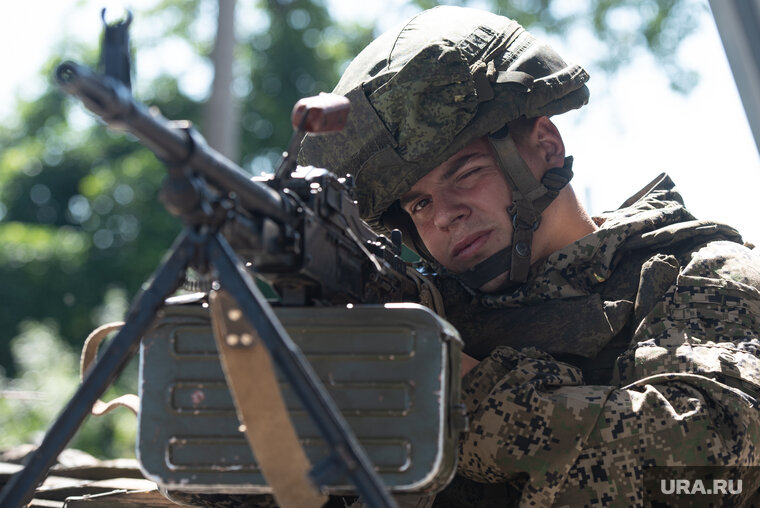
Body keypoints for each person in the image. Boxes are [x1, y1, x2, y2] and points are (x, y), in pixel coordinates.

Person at [300, 5, 760, 506]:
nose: (444, 216)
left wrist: (456, 388)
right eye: (419, 203)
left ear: (546, 145)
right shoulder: (421, 318)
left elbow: (707, 465)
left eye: (465, 171)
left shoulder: (697, 271)